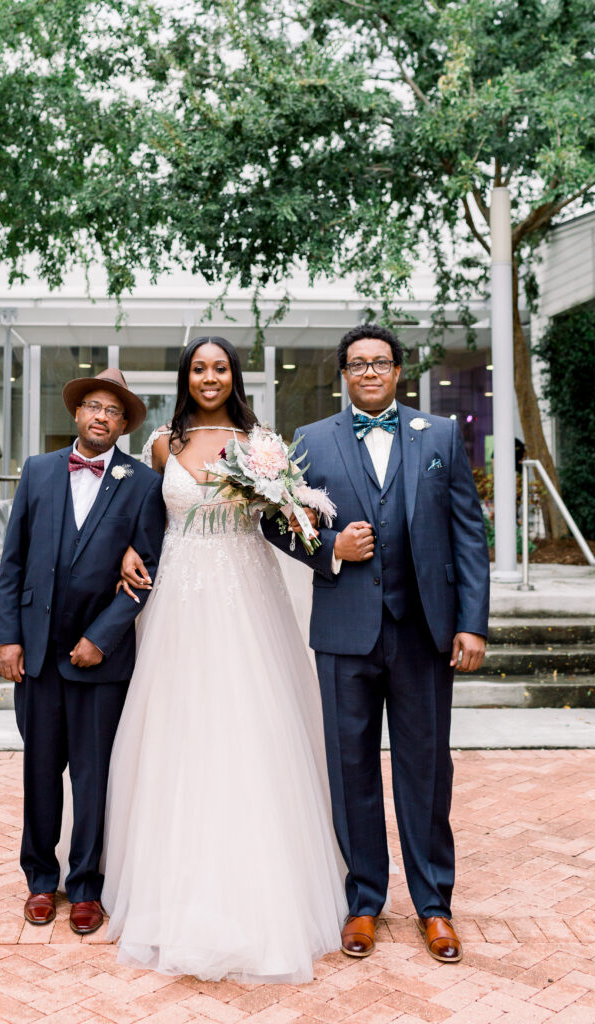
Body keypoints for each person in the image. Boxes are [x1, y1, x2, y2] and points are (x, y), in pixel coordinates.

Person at [101, 336, 347, 985]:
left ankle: (264, 893)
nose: (209, 377)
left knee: (250, 730)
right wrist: (127, 550)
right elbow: (143, 517)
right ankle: (172, 889)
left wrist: (330, 547)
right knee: (180, 734)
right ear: (185, 377)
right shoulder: (162, 442)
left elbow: (280, 521)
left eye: (219, 368)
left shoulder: (260, 441)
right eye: (198, 368)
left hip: (246, 597)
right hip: (179, 602)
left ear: (233, 376)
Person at [263, 324, 490, 964]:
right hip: (344, 632)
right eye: (357, 363)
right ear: (344, 374)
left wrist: (472, 622)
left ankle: (434, 905)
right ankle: (363, 900)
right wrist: (329, 549)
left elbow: (469, 535)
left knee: (425, 769)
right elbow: (276, 522)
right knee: (351, 769)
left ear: (397, 371)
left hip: (423, 633)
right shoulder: (310, 441)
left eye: (380, 362)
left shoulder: (440, 436)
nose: (369, 371)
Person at [0, 369, 165, 936]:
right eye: (93, 405)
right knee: (41, 773)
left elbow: (146, 572)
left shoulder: (141, 483)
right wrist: (7, 636)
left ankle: (87, 885)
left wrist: (102, 637)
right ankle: (42, 881)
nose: (100, 417)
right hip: (37, 654)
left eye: (112, 412)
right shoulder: (40, 472)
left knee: (94, 778)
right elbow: (12, 561)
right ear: (76, 413)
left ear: (123, 424)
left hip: (100, 658)